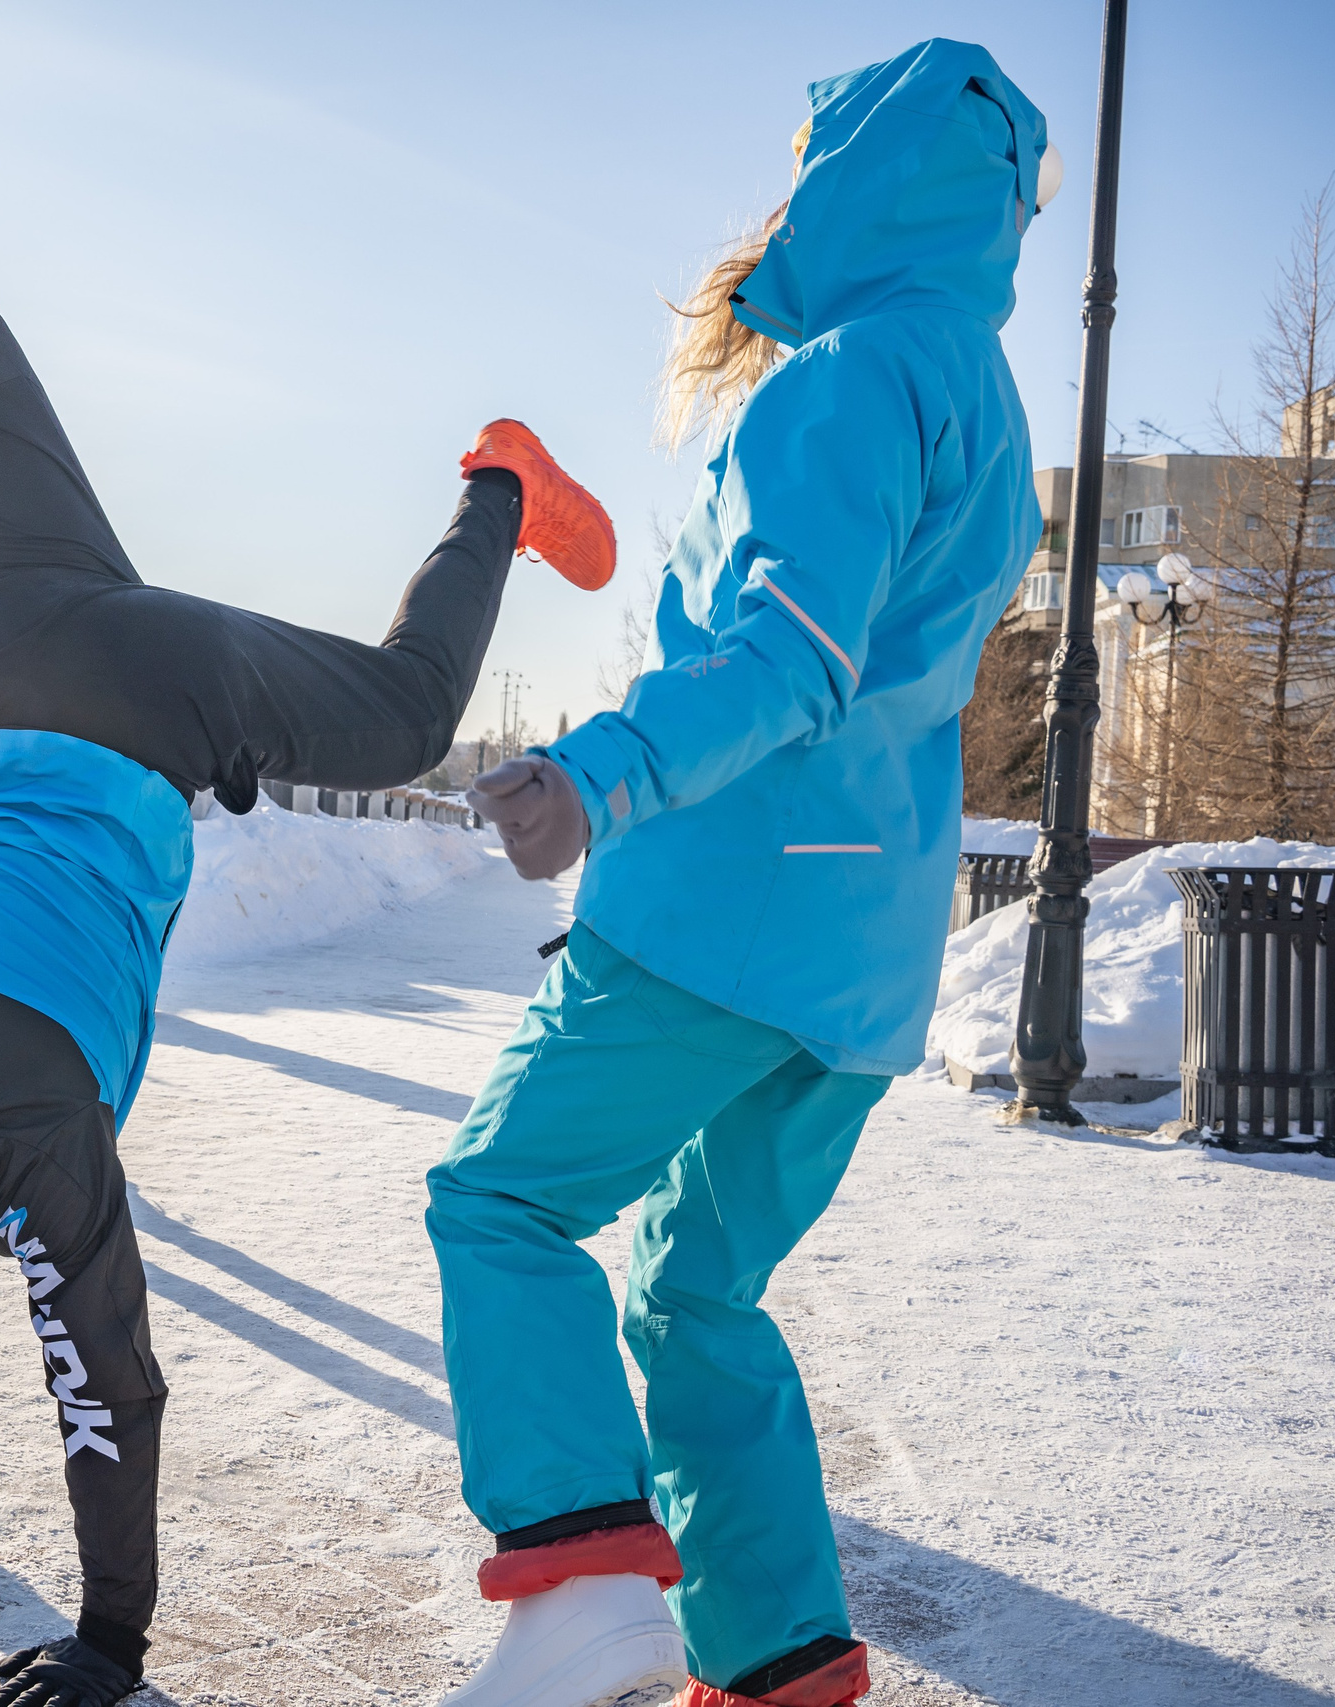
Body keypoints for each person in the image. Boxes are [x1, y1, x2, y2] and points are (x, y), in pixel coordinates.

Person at [0, 8, 614, 1706]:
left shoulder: (30, 1137)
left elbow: (110, 1389)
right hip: (3, 649)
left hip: (144, 707)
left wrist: (107, 1651)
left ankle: (497, 490)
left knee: (398, 717)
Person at [430, 41, 1055, 1707]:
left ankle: (576, 1579)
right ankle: (774, 1660)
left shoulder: (847, 376)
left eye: (807, 162)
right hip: (860, 955)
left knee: (500, 1202)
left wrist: (599, 770)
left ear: (859, 177)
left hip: (725, 907)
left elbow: (790, 656)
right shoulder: (977, 392)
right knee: (696, 1288)